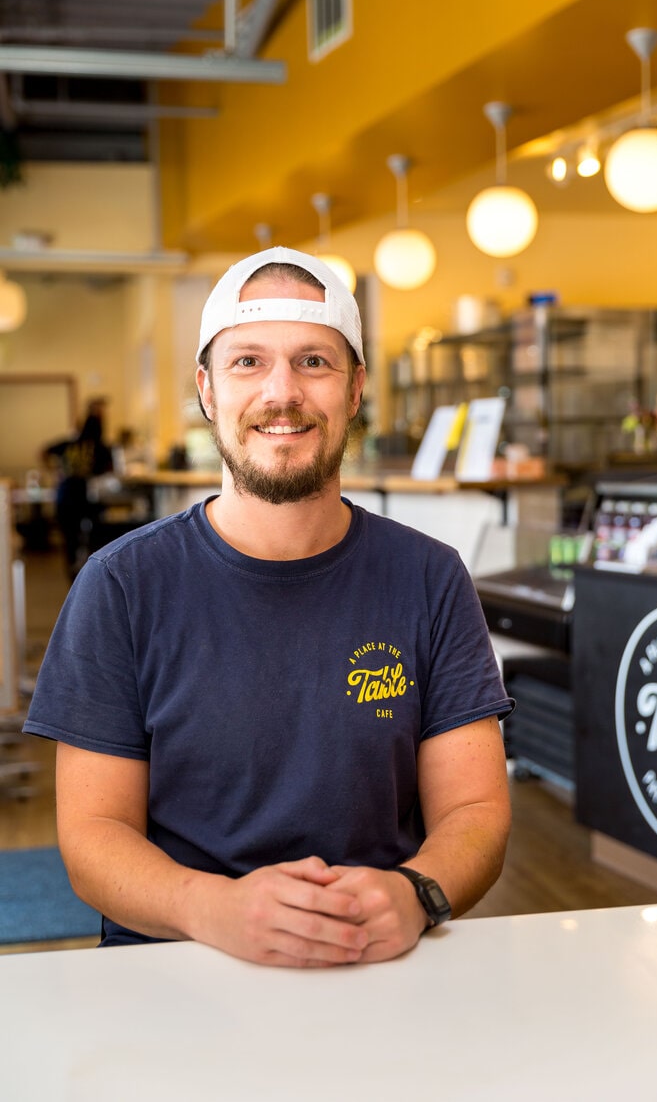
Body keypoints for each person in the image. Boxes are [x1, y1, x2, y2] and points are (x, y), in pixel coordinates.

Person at [24, 246, 513, 968]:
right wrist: (212, 907)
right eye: (248, 361)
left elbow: (475, 812)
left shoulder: (430, 577)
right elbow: (94, 836)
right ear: (208, 389)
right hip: (170, 971)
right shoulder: (122, 585)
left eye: (313, 361)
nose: (282, 392)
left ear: (355, 390)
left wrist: (417, 892)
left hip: (376, 964)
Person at [43, 397, 113, 581]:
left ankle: (72, 577)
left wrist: (54, 471)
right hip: (86, 497)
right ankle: (91, 575)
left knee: (70, 540)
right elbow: (110, 472)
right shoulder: (101, 448)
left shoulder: (69, 444)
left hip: (64, 495)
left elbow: (44, 451)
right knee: (94, 537)